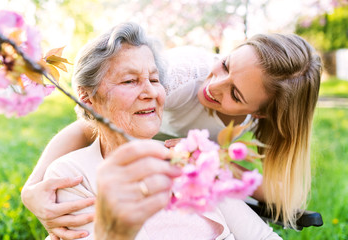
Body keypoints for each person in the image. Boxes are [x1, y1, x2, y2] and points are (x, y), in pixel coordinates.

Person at [21, 27, 322, 238]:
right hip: (138, 149)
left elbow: (281, 194)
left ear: (260, 112)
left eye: (236, 94)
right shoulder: (184, 75)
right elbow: (93, 121)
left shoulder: (256, 127)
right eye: (226, 64)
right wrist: (32, 187)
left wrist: (215, 161)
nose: (213, 85)